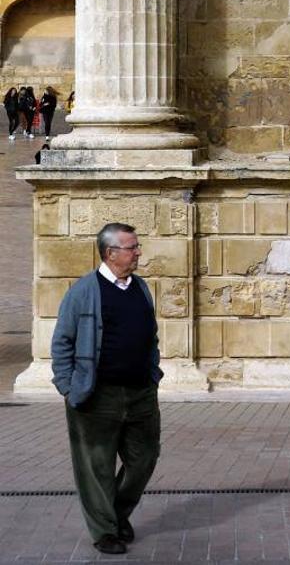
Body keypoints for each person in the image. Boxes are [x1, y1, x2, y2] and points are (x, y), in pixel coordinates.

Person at [51, 223, 162, 555]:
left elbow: (151, 336)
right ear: (111, 253)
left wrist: (153, 371)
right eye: (133, 247)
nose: (138, 252)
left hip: (141, 392)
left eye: (137, 246)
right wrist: (69, 387)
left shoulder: (140, 288)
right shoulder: (83, 291)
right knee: (96, 467)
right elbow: (62, 343)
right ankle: (105, 531)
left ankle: (115, 514)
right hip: (97, 394)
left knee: (145, 458)